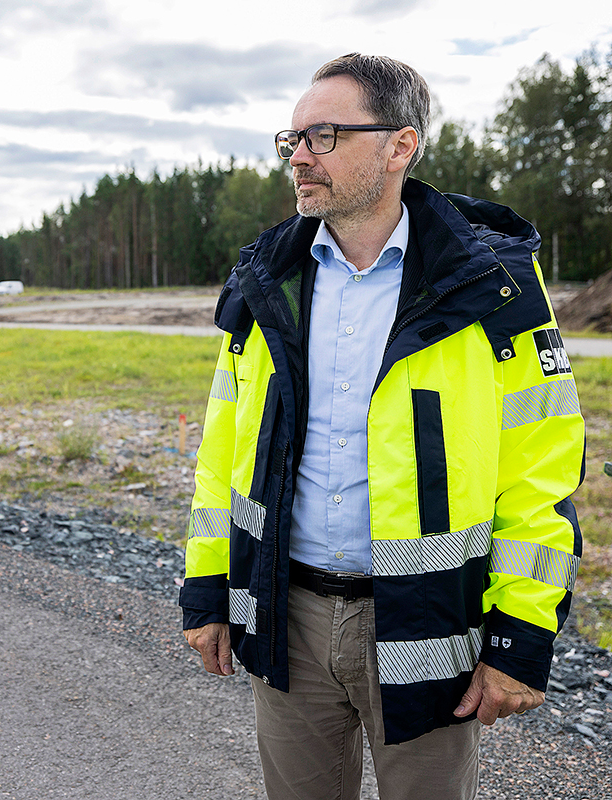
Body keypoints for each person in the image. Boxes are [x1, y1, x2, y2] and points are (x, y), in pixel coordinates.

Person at [181, 54, 584, 799]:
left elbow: (542, 473)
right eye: (292, 139)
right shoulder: (266, 280)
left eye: (325, 135)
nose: (299, 156)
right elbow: (222, 455)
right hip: (286, 615)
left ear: (402, 146)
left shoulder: (491, 289)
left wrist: (521, 638)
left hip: (430, 623)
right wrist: (208, 589)